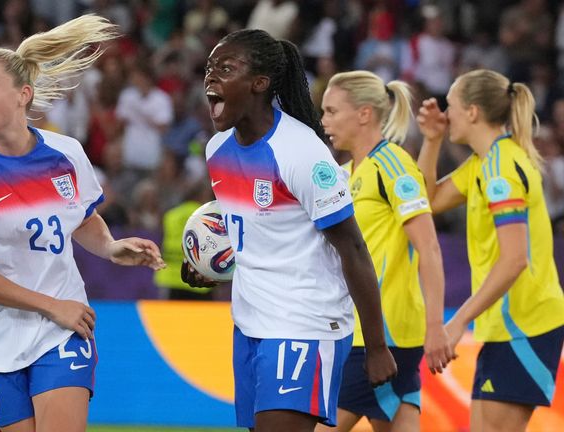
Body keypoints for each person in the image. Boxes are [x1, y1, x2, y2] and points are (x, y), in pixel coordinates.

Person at [0, 15, 165, 432]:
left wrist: (111, 247)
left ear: (23, 95)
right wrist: (50, 306)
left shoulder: (66, 152)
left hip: (60, 331)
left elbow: (80, 218)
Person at [183, 29, 397, 432]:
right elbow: (250, 232)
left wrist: (376, 345)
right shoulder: (217, 150)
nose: (211, 77)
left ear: (259, 83)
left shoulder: (301, 152)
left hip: (304, 323)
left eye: (225, 68)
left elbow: (353, 249)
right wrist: (208, 266)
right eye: (210, 68)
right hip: (249, 325)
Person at [417, 69, 564, 432]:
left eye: (450, 106)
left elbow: (515, 259)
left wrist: (459, 319)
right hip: (506, 328)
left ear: (472, 112)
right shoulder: (484, 163)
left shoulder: (500, 170)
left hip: (525, 325)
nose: (445, 114)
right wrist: (432, 141)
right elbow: (425, 201)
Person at [317, 70, 453, 432]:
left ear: (364, 114)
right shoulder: (342, 174)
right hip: (356, 331)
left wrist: (436, 325)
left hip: (382, 336)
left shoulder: (391, 165)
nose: (324, 121)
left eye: (331, 111)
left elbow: (429, 247)